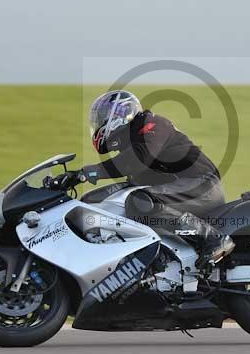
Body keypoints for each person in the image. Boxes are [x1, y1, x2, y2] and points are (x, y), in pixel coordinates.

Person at [76, 90, 235, 266]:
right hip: (185, 188)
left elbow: (139, 158)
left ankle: (214, 239)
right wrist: (77, 183)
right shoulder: (134, 142)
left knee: (139, 202)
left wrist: (93, 172)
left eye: (102, 118)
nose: (98, 124)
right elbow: (134, 179)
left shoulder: (150, 124)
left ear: (119, 115)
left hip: (203, 185)